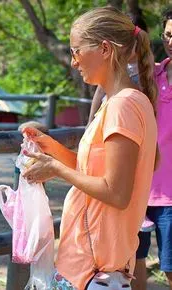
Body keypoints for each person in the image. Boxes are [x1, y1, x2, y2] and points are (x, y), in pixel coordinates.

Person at [21, 7, 158, 289]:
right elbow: (97, 174)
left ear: (105, 49)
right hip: (88, 265)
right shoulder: (122, 101)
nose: (73, 62)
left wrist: (56, 169)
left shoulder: (123, 106)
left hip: (94, 269)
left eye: (76, 51)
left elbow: (117, 193)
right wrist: (51, 149)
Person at [133, 9, 172, 290]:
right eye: (169, 35)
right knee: (134, 264)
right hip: (139, 192)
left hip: (171, 198)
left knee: (170, 269)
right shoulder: (150, 77)